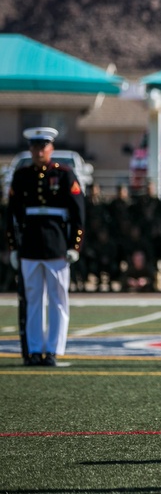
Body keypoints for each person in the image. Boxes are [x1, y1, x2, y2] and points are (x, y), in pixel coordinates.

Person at [5, 127, 85, 366]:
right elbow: (12, 214)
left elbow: (78, 212)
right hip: (29, 243)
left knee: (57, 297)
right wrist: (14, 247)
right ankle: (34, 349)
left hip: (56, 244)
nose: (39, 151)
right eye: (35, 147)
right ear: (30, 149)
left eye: (44, 147)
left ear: (51, 149)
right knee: (33, 298)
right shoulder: (22, 175)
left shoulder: (64, 174)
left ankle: (52, 349)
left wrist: (74, 246)